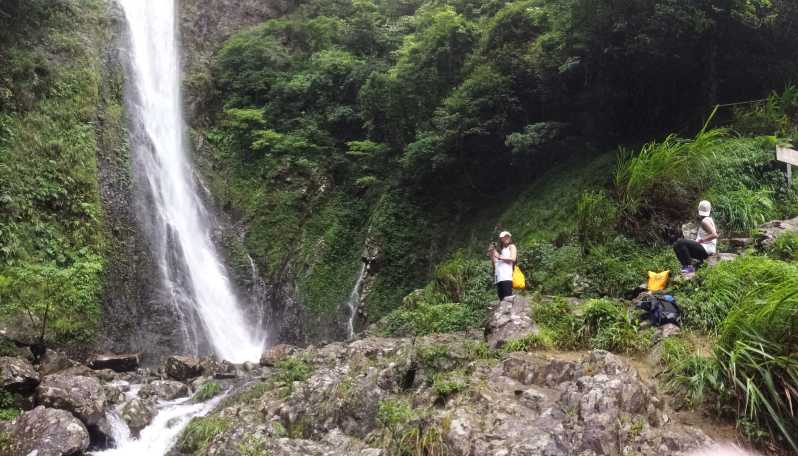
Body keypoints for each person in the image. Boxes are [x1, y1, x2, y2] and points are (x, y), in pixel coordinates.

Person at [673, 200, 718, 275]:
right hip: (705, 248)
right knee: (676, 245)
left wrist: (701, 240)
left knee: (680, 242)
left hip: (706, 249)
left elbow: (714, 235)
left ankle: (689, 266)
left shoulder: (705, 221)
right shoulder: (708, 219)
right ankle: (685, 266)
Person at [488, 231, 517, 300]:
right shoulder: (502, 250)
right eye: (504, 237)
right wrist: (492, 252)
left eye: (508, 236)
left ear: (510, 238)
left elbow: (513, 258)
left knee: (507, 300)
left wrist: (499, 257)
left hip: (506, 277)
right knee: (502, 300)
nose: (506, 238)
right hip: (499, 277)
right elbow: (495, 263)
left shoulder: (512, 246)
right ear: (501, 239)